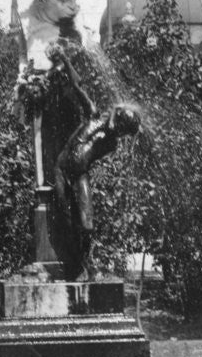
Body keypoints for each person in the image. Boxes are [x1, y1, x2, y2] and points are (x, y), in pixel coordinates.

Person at [53, 103, 141, 280]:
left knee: (87, 225)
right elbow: (79, 89)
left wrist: (109, 131)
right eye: (122, 128)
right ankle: (75, 267)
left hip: (79, 175)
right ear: (118, 120)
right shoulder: (94, 118)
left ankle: (84, 261)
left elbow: (87, 157)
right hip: (61, 170)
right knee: (67, 220)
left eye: (124, 133)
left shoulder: (111, 144)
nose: (121, 133)